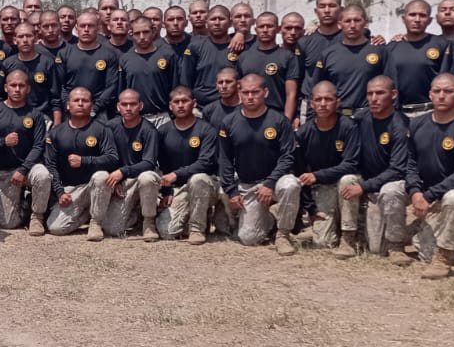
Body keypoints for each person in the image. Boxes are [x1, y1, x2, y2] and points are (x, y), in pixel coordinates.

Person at [408, 74, 454, 280]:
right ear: (430, 94)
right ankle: (432, 231)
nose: (442, 96)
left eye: (448, 91)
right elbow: (410, 164)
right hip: (428, 197)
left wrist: (428, 196)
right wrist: (415, 192)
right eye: (437, 91)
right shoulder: (417, 124)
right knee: (424, 251)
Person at [216, 74, 299, 254]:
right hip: (248, 185)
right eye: (246, 92)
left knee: (291, 185)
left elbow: (288, 157)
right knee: (249, 238)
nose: (250, 97)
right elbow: (225, 159)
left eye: (255, 92)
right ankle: (272, 216)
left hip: (275, 182)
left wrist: (270, 183)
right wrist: (232, 190)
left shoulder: (279, 121)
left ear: (265, 92)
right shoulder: (228, 122)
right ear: (240, 93)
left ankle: (283, 235)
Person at [142, 86, 226, 243]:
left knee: (198, 179)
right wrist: (167, 191)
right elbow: (162, 165)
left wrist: (176, 174)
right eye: (176, 102)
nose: (180, 105)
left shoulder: (206, 129)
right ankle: (197, 215)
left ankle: (197, 228)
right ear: (170, 106)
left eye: (185, 101)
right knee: (167, 232)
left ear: (194, 103)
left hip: (205, 184)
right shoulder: (163, 131)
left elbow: (206, 163)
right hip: (179, 188)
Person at [344, 77, 414, 263]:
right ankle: (348, 238)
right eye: (370, 93)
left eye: (380, 93)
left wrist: (363, 187)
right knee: (346, 180)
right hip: (367, 185)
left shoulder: (401, 125)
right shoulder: (360, 118)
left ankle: (397, 245)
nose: (374, 98)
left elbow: (397, 170)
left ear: (393, 95)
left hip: (390, 186)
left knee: (377, 249)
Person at [36, 87, 120, 240]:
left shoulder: (102, 129)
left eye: (85, 101)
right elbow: (50, 165)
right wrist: (60, 192)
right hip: (70, 190)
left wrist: (84, 161)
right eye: (76, 100)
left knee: (101, 176)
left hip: (94, 186)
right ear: (68, 105)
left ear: (91, 105)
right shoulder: (56, 132)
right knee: (56, 228)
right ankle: (89, 212)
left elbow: (112, 158)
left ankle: (96, 222)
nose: (80, 104)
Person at [293, 81, 362, 256]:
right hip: (321, 189)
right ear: (311, 104)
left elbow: (351, 164)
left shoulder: (349, 127)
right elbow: (301, 172)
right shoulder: (304, 133)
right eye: (318, 99)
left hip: (344, 185)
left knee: (348, 179)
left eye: (328, 99)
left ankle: (348, 238)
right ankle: (321, 227)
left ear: (337, 102)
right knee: (323, 243)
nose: (323, 104)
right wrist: (311, 209)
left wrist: (317, 175)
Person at [0, 70, 49, 231]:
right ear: (6, 88)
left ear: (28, 88)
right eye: (13, 85)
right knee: (8, 224)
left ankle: (37, 217)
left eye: (21, 86)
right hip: (4, 172)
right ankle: (25, 204)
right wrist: (3, 142)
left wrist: (23, 169)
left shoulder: (35, 115)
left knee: (43, 176)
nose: (17, 89)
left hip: (28, 168)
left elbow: (38, 146)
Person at [104, 89, 162, 238]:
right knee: (111, 229)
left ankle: (149, 222)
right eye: (124, 104)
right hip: (120, 182)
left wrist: (123, 171)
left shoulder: (149, 130)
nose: (128, 108)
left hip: (140, 179)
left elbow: (149, 163)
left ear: (140, 106)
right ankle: (135, 214)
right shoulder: (110, 127)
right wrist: (116, 181)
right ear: (118, 107)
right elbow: (106, 157)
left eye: (133, 104)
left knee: (147, 177)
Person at [308, 5, 386, 114]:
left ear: (365, 23)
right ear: (339, 24)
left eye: (357, 20)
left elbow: (391, 86)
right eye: (347, 21)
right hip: (337, 117)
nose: (352, 25)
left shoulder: (380, 51)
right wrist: (312, 116)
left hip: (370, 116)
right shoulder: (328, 54)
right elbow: (316, 89)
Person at [384, 0, 447, 116]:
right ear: (404, 19)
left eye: (422, 15)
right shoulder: (391, 47)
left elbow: (446, 79)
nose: (417, 19)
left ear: (429, 20)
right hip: (399, 113)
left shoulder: (441, 44)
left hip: (431, 111)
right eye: (412, 15)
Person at [236, 12, 299, 116]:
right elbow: (238, 90)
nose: (265, 30)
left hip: (277, 115)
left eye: (269, 26)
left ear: (278, 29)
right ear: (256, 29)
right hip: (248, 116)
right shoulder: (244, 57)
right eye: (261, 27)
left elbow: (291, 94)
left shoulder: (288, 57)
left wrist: (287, 121)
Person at [59, 12, 120, 119]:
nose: (86, 29)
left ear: (98, 28)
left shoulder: (109, 55)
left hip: (99, 113)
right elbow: (60, 84)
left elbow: (111, 86)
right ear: (76, 28)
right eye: (82, 26)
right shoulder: (64, 53)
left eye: (90, 26)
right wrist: (68, 104)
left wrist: (95, 108)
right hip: (71, 112)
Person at [189, 6, 236, 107]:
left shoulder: (238, 46)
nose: (217, 23)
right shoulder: (195, 46)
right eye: (213, 19)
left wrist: (240, 33)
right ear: (206, 22)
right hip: (200, 107)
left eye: (221, 19)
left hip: (231, 107)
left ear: (230, 23)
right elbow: (186, 80)